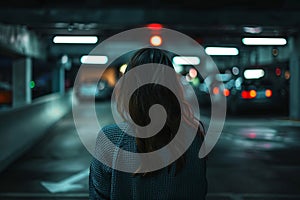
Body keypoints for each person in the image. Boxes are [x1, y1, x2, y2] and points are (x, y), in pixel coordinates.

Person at [89, 48, 207, 199]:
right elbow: (198, 192)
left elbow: (97, 195)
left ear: (128, 90)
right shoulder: (193, 136)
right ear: (174, 90)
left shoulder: (111, 138)